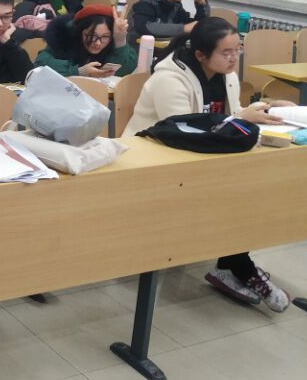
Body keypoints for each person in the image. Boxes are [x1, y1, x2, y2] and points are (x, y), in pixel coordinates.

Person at [123, 17, 291, 312]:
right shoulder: (169, 79)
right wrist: (239, 119)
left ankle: (232, 266)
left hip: (200, 160)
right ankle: (238, 268)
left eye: (237, 50)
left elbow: (231, 115)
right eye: (226, 53)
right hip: (154, 162)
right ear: (201, 54)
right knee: (230, 197)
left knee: (248, 191)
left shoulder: (226, 75)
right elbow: (181, 131)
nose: (234, 58)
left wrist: (265, 108)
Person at [35, 4, 137, 77]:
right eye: (92, 36)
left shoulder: (114, 41)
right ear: (79, 31)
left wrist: (120, 40)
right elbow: (40, 62)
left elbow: (125, 70)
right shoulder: (64, 38)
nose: (97, 43)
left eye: (105, 37)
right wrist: (78, 71)